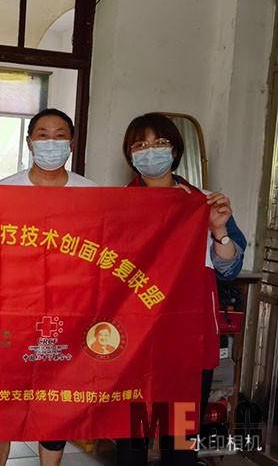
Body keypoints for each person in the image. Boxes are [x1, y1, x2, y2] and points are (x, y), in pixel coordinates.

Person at [115, 112, 246, 466]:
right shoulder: (116, 204)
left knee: (181, 441)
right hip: (133, 342)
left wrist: (219, 231)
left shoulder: (204, 202)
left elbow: (229, 268)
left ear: (174, 151)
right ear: (130, 155)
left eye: (159, 142)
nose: (150, 151)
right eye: (140, 145)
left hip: (188, 342)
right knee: (132, 440)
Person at [0, 108, 96, 466]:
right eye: (43, 135)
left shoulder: (94, 195)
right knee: (4, 404)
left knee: (56, 402)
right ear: (29, 142)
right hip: (14, 313)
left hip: (68, 313)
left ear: (71, 143)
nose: (52, 143)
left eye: (60, 135)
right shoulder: (5, 190)